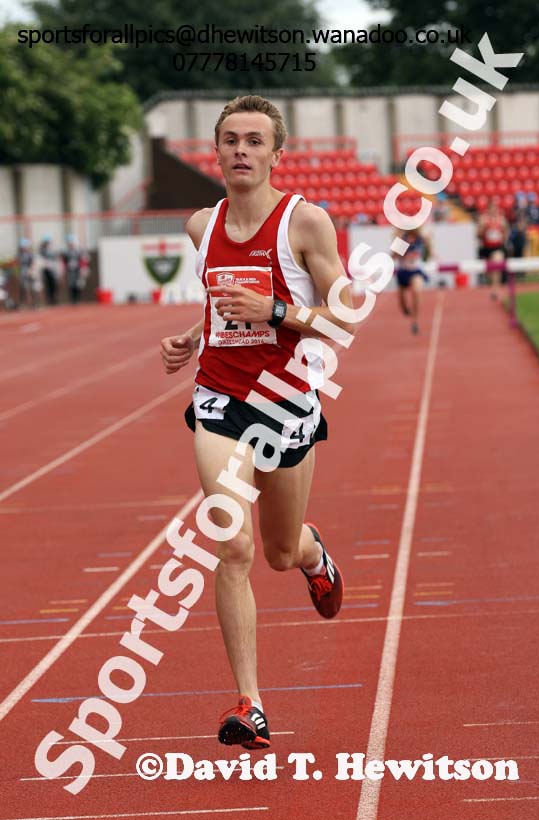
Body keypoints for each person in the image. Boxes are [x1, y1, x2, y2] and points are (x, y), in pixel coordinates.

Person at [160, 95, 352, 750]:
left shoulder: (306, 224)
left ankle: (310, 551)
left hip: (288, 401)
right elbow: (221, 304)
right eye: (230, 140)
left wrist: (275, 311)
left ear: (276, 153)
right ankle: (252, 703)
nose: (241, 150)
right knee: (232, 543)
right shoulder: (200, 226)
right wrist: (191, 335)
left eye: (254, 140)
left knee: (275, 551)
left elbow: (344, 317)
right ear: (214, 151)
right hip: (217, 398)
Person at [393, 227, 430, 335]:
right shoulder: (402, 239)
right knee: (402, 303)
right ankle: (406, 310)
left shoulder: (421, 239)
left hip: (415, 271)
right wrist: (400, 244)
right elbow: (394, 256)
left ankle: (415, 320)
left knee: (416, 292)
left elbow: (427, 256)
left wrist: (428, 243)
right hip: (403, 271)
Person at [477, 200, 509, 299]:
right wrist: (483, 228)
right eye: (491, 208)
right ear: (488, 209)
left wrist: (503, 238)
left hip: (497, 247)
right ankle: (492, 286)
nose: (493, 210)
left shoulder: (501, 219)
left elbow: (506, 232)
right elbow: (478, 235)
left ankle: (495, 290)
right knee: (490, 271)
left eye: (495, 208)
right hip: (486, 248)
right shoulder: (483, 219)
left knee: (497, 265)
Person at [61, 234, 89, 304]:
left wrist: (83, 268)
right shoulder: (66, 252)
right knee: (71, 285)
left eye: (72, 242)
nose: (71, 244)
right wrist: (64, 269)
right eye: (69, 243)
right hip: (70, 271)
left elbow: (84, 260)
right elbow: (64, 261)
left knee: (78, 285)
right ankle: (72, 300)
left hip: (78, 271)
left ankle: (77, 300)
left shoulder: (79, 251)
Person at [37, 235, 59, 306]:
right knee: (47, 285)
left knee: (54, 284)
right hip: (45, 270)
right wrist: (45, 263)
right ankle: (49, 299)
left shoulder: (53, 250)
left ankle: (54, 298)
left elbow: (56, 259)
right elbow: (40, 259)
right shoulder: (42, 251)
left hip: (53, 270)